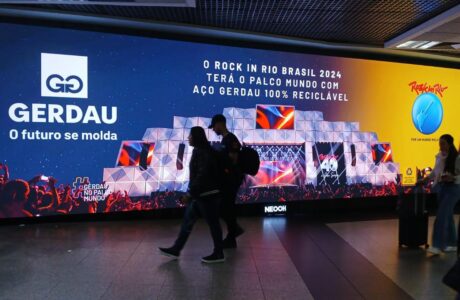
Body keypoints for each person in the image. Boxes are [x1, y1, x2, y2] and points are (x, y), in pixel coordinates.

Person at [159, 126, 225, 263]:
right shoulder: (200, 151)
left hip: (207, 195)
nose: (188, 138)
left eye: (190, 135)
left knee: (213, 224)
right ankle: (176, 249)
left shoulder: (203, 152)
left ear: (196, 137)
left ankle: (218, 253)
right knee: (188, 222)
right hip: (201, 195)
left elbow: (201, 176)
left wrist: (190, 194)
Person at [209, 114, 245, 248]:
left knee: (225, 207)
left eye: (214, 126)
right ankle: (232, 235)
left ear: (220, 124)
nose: (213, 129)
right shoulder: (225, 140)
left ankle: (233, 234)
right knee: (226, 207)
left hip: (231, 180)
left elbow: (233, 160)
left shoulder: (231, 139)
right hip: (227, 179)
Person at [420, 134, 460, 255]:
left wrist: (453, 177)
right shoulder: (440, 156)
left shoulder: (457, 158)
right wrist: (425, 179)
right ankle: (452, 244)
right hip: (442, 187)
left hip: (454, 189)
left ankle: (437, 245)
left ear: (449, 144)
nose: (440, 145)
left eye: (443, 143)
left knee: (441, 216)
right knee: (448, 216)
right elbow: (435, 171)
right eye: (440, 143)